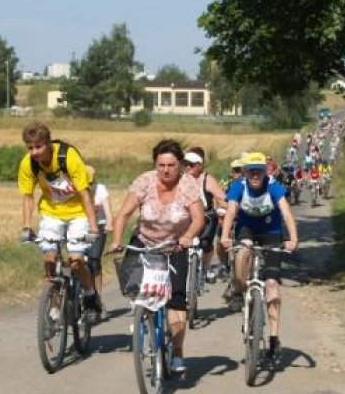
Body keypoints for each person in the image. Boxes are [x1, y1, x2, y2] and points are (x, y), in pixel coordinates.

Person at [109, 139, 205, 374]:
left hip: (175, 246)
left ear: (180, 165)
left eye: (171, 165)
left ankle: (178, 352)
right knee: (134, 285)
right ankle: (142, 315)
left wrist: (187, 236)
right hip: (144, 242)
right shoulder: (145, 181)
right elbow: (124, 214)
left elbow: (199, 219)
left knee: (176, 300)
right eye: (161, 165)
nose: (166, 170)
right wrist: (117, 240)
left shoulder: (187, 184)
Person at [220, 152, 298, 360]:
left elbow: (286, 212)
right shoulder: (238, 186)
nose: (255, 175)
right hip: (246, 230)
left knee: (271, 286)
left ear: (265, 172)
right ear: (245, 172)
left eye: (259, 171)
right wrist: (225, 236)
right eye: (251, 171)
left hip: (271, 233)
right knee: (243, 250)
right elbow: (231, 211)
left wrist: (293, 238)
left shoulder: (273, 186)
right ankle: (239, 289)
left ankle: (273, 338)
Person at [18, 122, 101, 313]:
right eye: (30, 148)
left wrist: (93, 227)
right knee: (49, 258)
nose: (34, 152)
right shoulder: (28, 164)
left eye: (38, 147)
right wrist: (26, 226)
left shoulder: (67, 156)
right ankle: (54, 305)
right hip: (51, 212)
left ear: (48, 143)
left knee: (76, 261)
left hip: (78, 212)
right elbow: (28, 196)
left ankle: (90, 292)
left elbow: (84, 193)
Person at [183, 147, 227, 282]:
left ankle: (206, 269)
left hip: (206, 215)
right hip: (186, 216)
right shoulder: (181, 178)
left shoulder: (207, 180)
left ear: (200, 165)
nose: (187, 167)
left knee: (205, 243)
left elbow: (222, 198)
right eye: (185, 164)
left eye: (191, 165)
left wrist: (228, 209)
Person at [85, 165, 114, 320]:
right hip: (81, 228)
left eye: (90, 183)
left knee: (94, 261)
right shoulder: (74, 189)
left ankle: (98, 300)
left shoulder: (100, 189)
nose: (88, 186)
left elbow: (108, 211)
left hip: (99, 227)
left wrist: (109, 223)